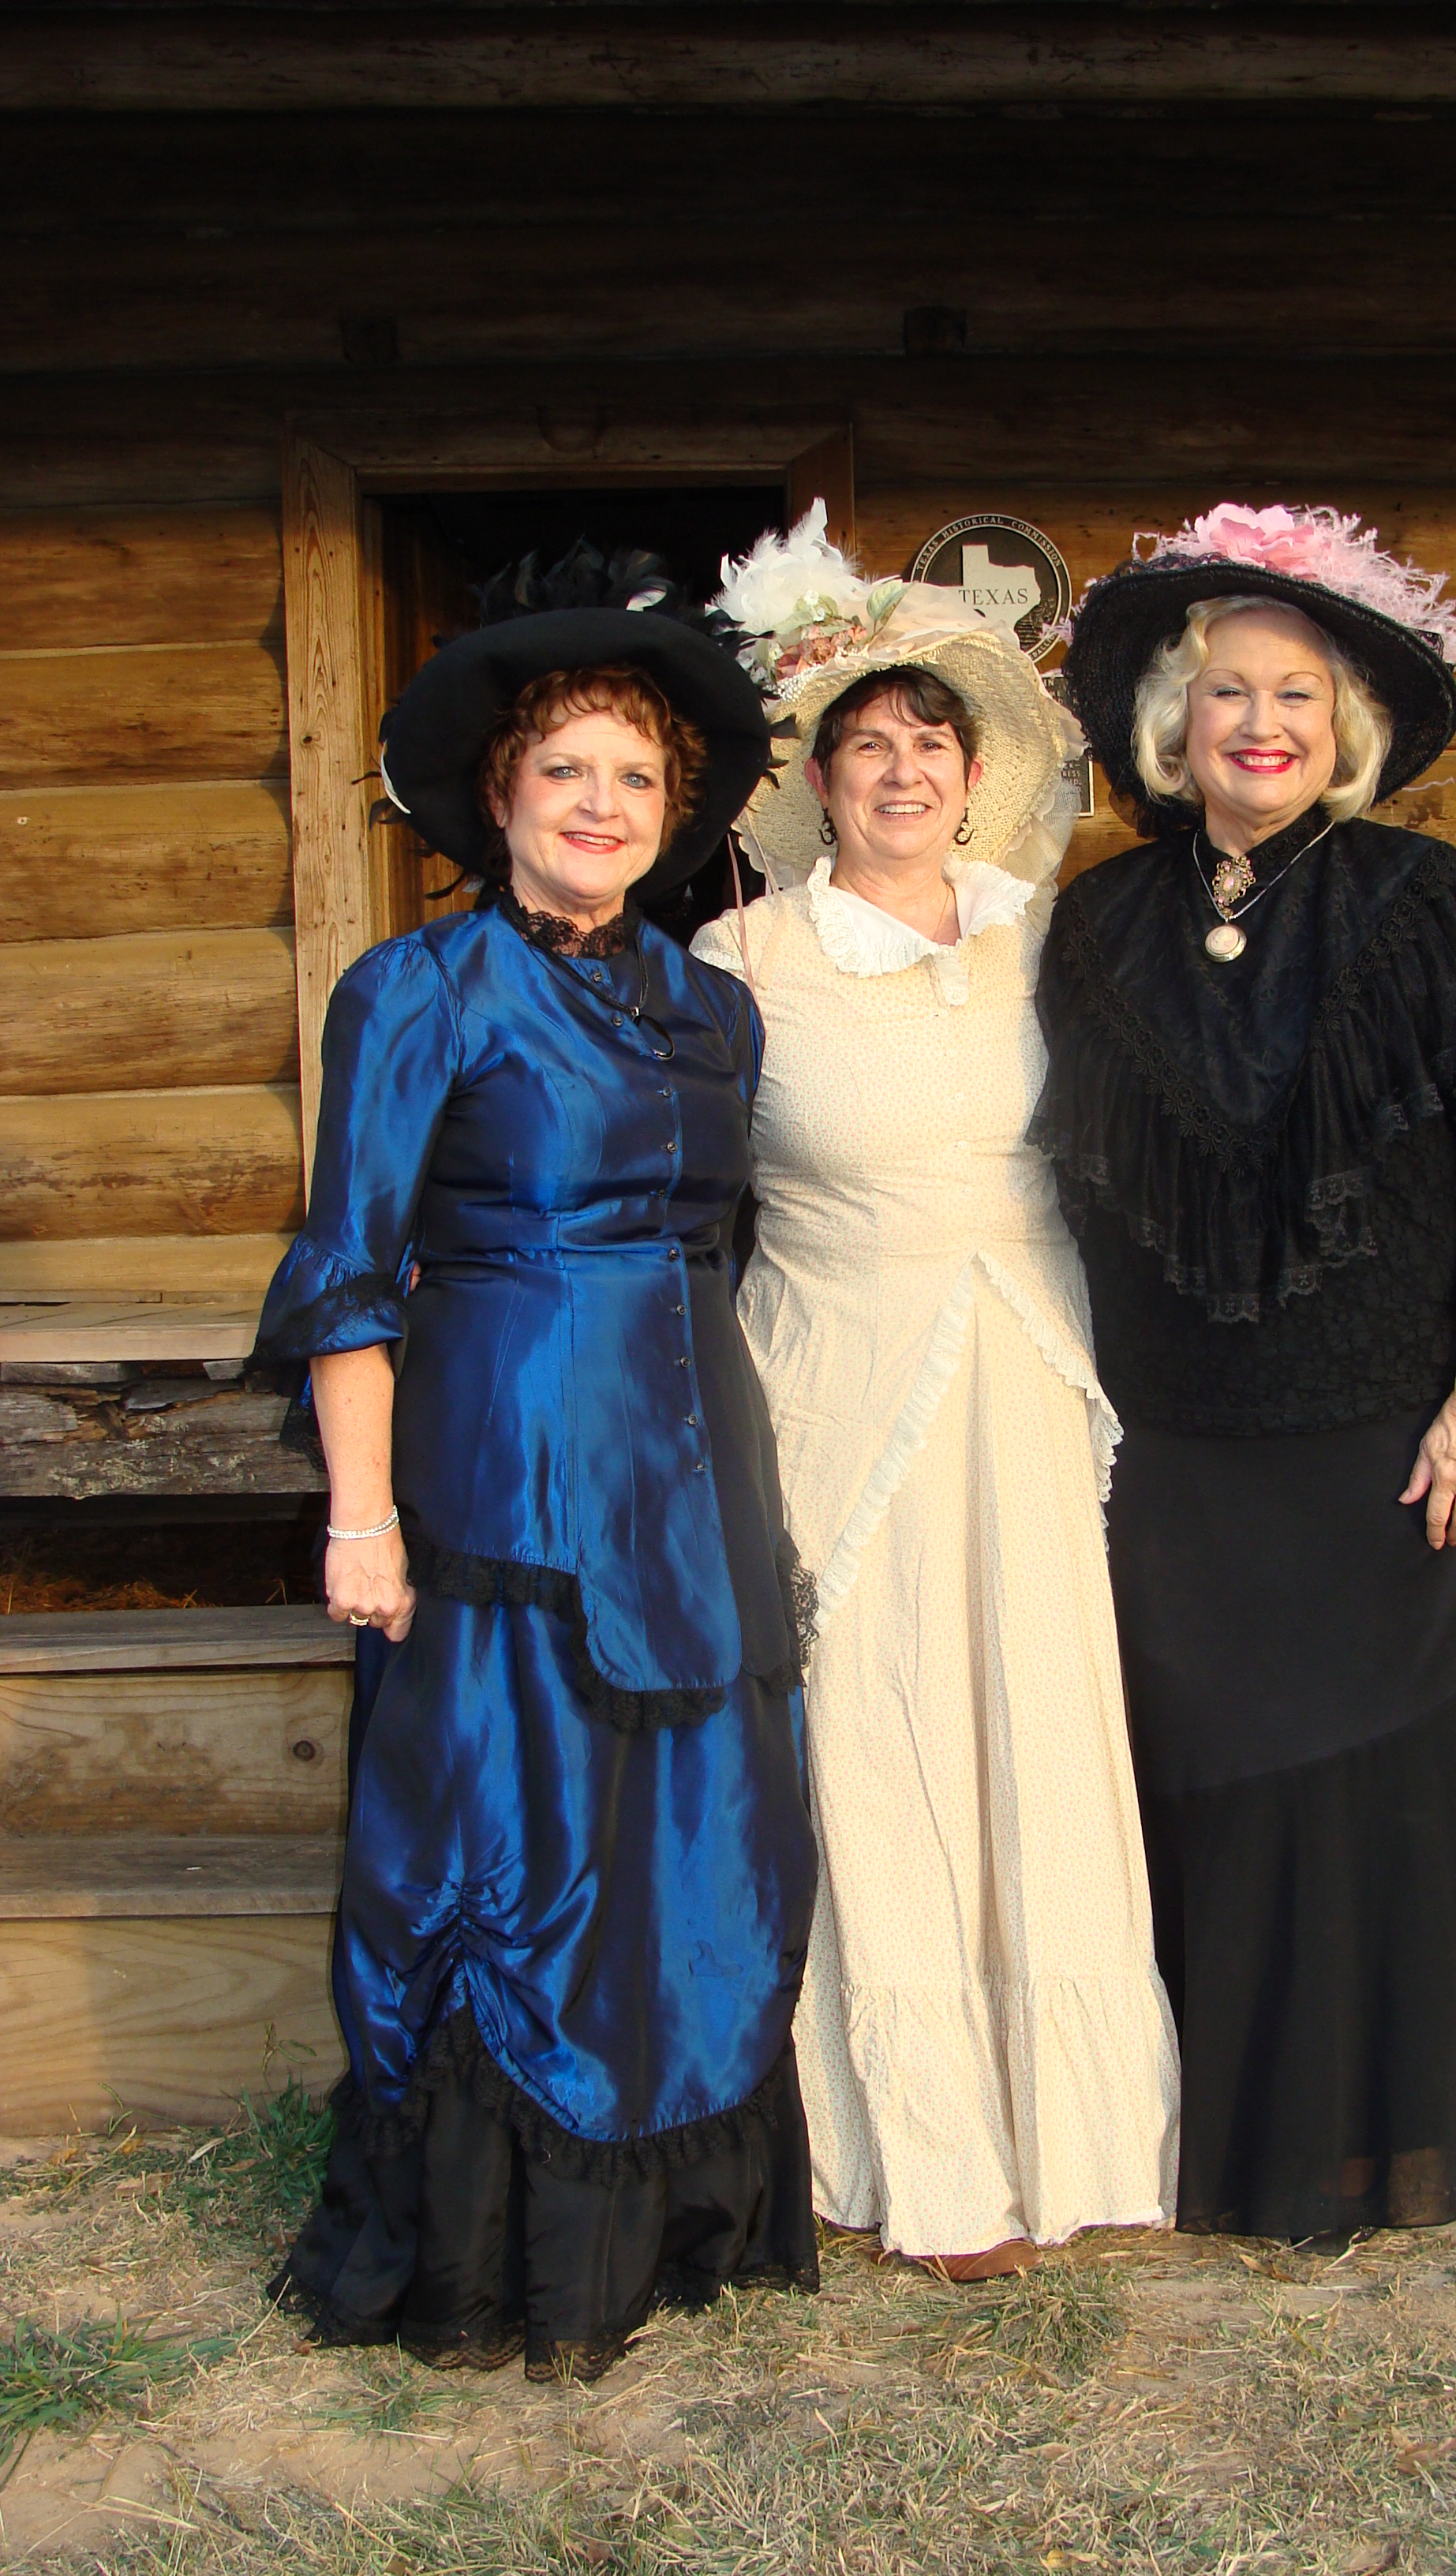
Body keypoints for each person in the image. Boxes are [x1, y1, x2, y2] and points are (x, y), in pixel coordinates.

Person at [251, 545, 818, 2378]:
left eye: (634, 779)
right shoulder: (418, 990)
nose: (599, 805)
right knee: (508, 1838)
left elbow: (723, 1247)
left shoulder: (709, 1002)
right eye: (564, 770)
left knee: (696, 1834)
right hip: (501, 1464)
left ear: (674, 814)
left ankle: (667, 2222)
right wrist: (361, 1516)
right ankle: (497, 2247)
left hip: (694, 1457)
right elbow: (348, 1265)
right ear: (501, 797)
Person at [1036, 504, 1456, 2241]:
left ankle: (1411, 2125)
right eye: (1226, 692)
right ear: (1173, 726)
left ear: (1345, 729)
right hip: (1187, 1453)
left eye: (1296, 692)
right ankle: (1246, 2128)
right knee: (1219, 1782)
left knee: (1401, 1789)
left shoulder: (1422, 898)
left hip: (1394, 1438)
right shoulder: (1097, 923)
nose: (1261, 722)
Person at [687, 508, 1178, 2279]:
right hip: (832, 1374)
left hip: (1035, 1367)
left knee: (1039, 1716)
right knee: (879, 1736)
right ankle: (915, 2151)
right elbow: (663, 1187)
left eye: (930, 743)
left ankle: (1083, 2127)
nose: (900, 770)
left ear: (975, 772)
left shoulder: (1059, 940)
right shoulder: (742, 970)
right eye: (866, 745)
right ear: (815, 781)